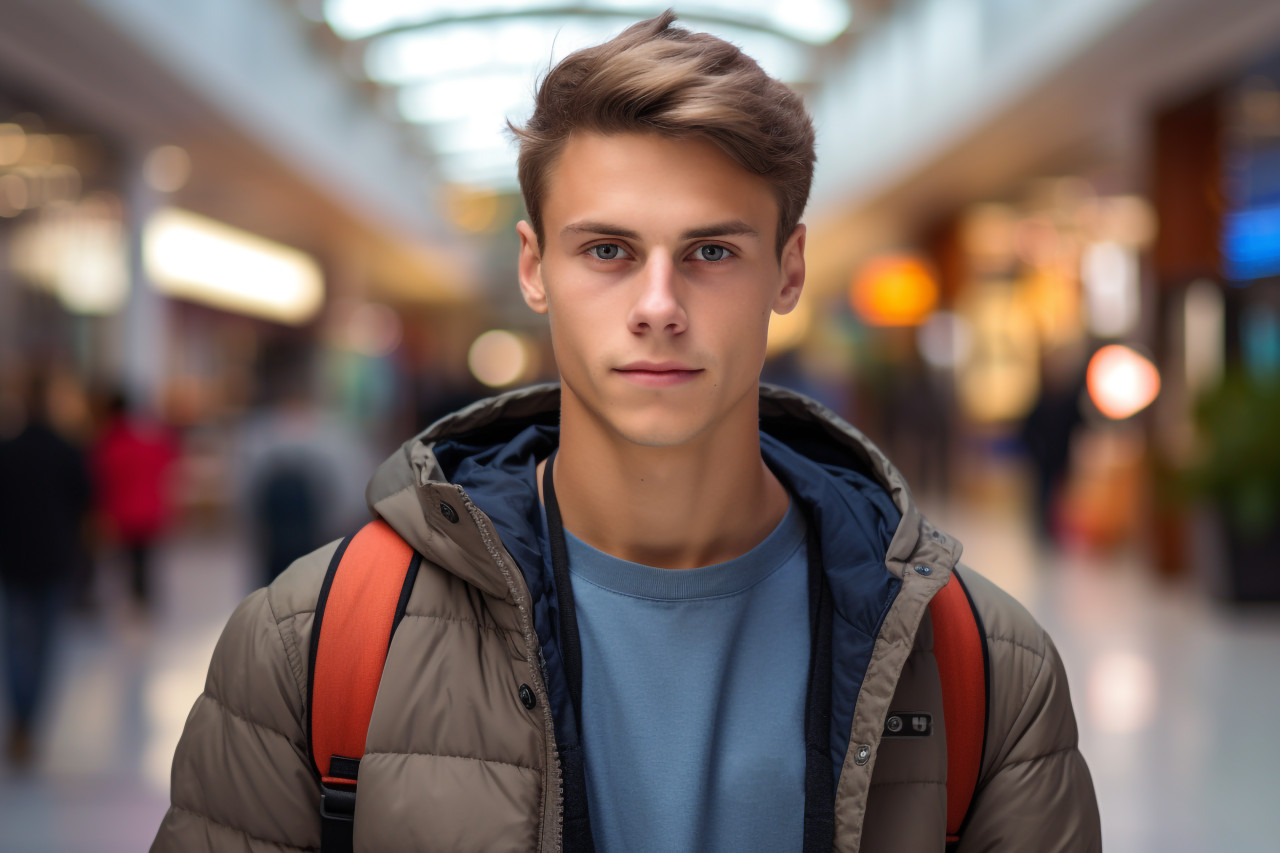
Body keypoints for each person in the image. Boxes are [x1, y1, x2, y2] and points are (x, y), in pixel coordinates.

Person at [152, 13, 1100, 852]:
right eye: (607, 250)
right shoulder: (311, 646)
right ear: (535, 268)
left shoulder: (981, 668)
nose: (658, 306)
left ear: (788, 269)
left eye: (712, 252)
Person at [0, 373, 92, 767]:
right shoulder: (66, 450)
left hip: (13, 559)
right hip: (54, 559)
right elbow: (86, 502)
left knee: (17, 645)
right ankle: (30, 721)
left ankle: (21, 720)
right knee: (46, 648)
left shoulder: (8, 450)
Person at [91, 393, 178, 609]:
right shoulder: (145, 442)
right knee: (143, 562)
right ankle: (142, 602)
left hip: (121, 515)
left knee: (122, 564)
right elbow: (168, 457)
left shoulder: (107, 445)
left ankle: (129, 603)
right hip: (149, 512)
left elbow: (100, 483)